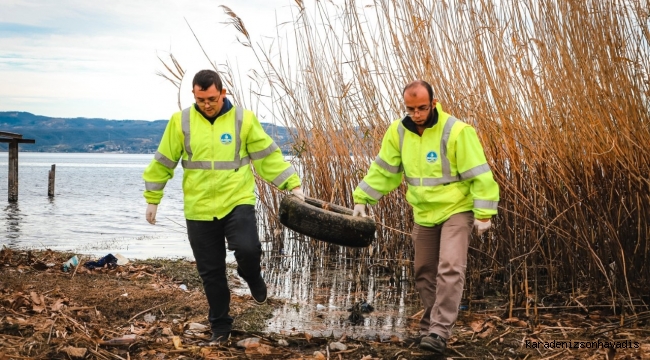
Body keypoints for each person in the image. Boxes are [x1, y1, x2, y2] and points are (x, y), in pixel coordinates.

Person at [143, 69, 305, 344]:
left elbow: (267, 157)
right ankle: (220, 327)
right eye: (201, 99)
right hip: (199, 207)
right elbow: (163, 162)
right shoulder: (180, 122)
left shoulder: (243, 120)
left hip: (236, 200)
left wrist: (292, 183)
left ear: (223, 93)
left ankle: (251, 274)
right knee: (212, 272)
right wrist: (152, 199)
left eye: (212, 99)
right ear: (194, 95)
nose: (207, 105)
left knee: (248, 249)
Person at [351, 80, 499, 355]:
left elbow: (479, 173)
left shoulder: (457, 131)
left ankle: (439, 332)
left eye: (421, 108)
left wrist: (484, 212)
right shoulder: (398, 132)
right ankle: (429, 328)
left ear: (433, 103)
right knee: (423, 272)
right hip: (424, 213)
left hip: (457, 209)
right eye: (410, 109)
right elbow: (385, 170)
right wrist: (363, 197)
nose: (416, 114)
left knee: (451, 267)